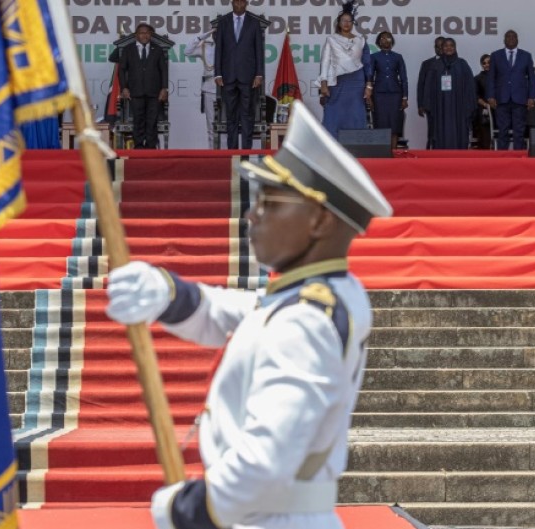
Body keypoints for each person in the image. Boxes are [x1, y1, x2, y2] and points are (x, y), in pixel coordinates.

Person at [105, 101, 391, 529]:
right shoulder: (316, 296)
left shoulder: (306, 320)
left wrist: (186, 509)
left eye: (270, 204)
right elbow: (236, 314)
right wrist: (167, 292)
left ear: (318, 220)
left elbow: (266, 461)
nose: (251, 215)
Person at [318, 1, 374, 137]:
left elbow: (367, 64)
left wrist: (369, 86)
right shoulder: (331, 39)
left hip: (356, 82)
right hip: (337, 82)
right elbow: (325, 62)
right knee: (334, 114)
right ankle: (332, 146)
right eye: (344, 20)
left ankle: (356, 147)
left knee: (355, 114)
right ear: (339, 22)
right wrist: (324, 84)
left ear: (353, 23)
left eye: (349, 21)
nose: (346, 23)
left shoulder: (361, 40)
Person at [214, 0, 264, 149]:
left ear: (246, 4)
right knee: (231, 117)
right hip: (228, 77)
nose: (239, 5)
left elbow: (259, 51)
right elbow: (219, 50)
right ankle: (232, 153)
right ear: (232, 3)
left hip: (248, 77)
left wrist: (259, 74)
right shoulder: (223, 22)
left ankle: (245, 154)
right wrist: (218, 74)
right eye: (236, 2)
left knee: (248, 116)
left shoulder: (254, 23)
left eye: (242, 2)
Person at [118, 23, 168, 149]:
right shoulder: (128, 49)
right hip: (135, 91)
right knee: (138, 121)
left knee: (152, 121)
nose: (144, 35)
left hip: (154, 92)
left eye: (147, 33)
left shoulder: (157, 49)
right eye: (142, 33)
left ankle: (151, 147)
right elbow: (122, 70)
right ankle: (139, 147)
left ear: (150, 35)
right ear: (136, 35)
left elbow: (163, 70)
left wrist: (164, 88)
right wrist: (124, 87)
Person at [421, 38, 476, 150]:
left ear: (455, 48)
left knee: (460, 132)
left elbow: (470, 86)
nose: (449, 48)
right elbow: (428, 87)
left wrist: (470, 105)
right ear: (442, 48)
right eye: (446, 46)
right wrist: (427, 104)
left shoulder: (462, 64)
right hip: (440, 108)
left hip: (459, 108)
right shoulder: (435, 66)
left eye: (451, 45)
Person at [487, 30, 535, 150]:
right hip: (501, 99)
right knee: (502, 131)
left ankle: (518, 157)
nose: (510, 39)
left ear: (517, 40)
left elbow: (531, 78)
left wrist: (532, 97)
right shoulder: (495, 55)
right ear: (503, 40)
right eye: (508, 37)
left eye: (513, 37)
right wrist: (490, 96)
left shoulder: (526, 55)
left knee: (519, 132)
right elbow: (491, 77)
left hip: (520, 100)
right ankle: (502, 159)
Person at [370, 31, 407, 150]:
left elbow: (404, 78)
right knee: (381, 123)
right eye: (382, 38)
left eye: (388, 38)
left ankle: (394, 151)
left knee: (394, 124)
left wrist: (405, 97)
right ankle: (382, 153)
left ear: (392, 41)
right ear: (378, 42)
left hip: (395, 95)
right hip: (379, 95)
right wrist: (369, 97)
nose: (385, 40)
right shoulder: (374, 57)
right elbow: (369, 77)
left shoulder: (398, 57)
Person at [184, 30, 216, 148]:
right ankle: (214, 155)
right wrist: (202, 36)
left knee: (227, 125)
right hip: (210, 87)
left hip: (228, 89)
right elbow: (187, 51)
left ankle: (226, 155)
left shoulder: (233, 46)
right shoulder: (205, 46)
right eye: (215, 32)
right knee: (211, 125)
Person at [416, 36, 445, 148]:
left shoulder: (454, 63)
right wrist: (420, 104)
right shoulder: (427, 64)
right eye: (437, 46)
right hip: (431, 104)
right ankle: (430, 154)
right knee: (432, 132)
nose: (439, 49)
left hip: (448, 104)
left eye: (441, 46)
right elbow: (421, 85)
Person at [473, 54, 492, 149]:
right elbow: (475, 96)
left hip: (499, 109)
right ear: (481, 65)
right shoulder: (477, 78)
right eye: (484, 63)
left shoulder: (500, 77)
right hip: (484, 110)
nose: (487, 65)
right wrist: (486, 104)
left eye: (489, 62)